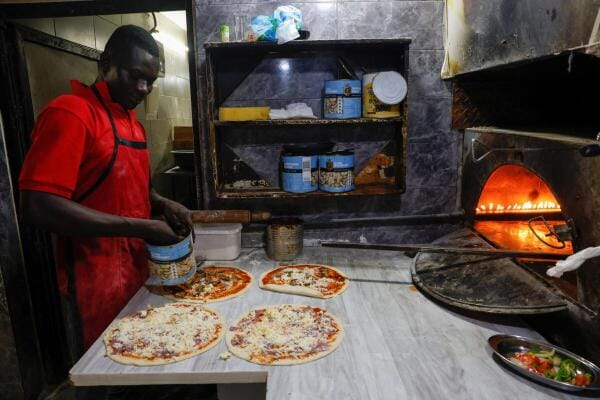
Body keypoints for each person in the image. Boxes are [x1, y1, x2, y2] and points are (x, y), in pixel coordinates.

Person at [18, 25, 192, 353]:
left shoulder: (132, 124)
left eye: (151, 81)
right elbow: (38, 206)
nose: (143, 89)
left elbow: (130, 188)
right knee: (101, 373)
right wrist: (141, 227)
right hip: (92, 279)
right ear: (106, 64)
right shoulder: (71, 114)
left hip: (135, 272)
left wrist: (161, 203)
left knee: (144, 361)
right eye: (135, 76)